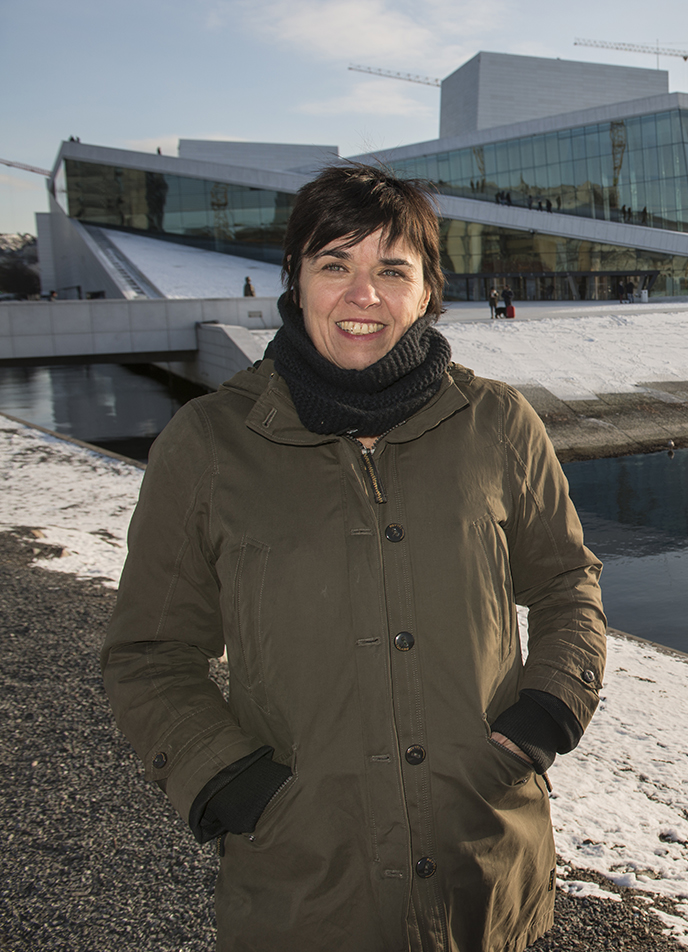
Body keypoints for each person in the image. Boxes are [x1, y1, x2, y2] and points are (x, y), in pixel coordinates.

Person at [100, 164, 607, 952]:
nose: (362, 294)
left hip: (485, 858)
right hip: (305, 883)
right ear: (295, 281)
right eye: (335, 264)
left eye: (391, 270)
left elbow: (568, 582)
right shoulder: (208, 444)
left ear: (428, 289)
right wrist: (230, 781)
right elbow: (149, 652)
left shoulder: (499, 423)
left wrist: (546, 711)